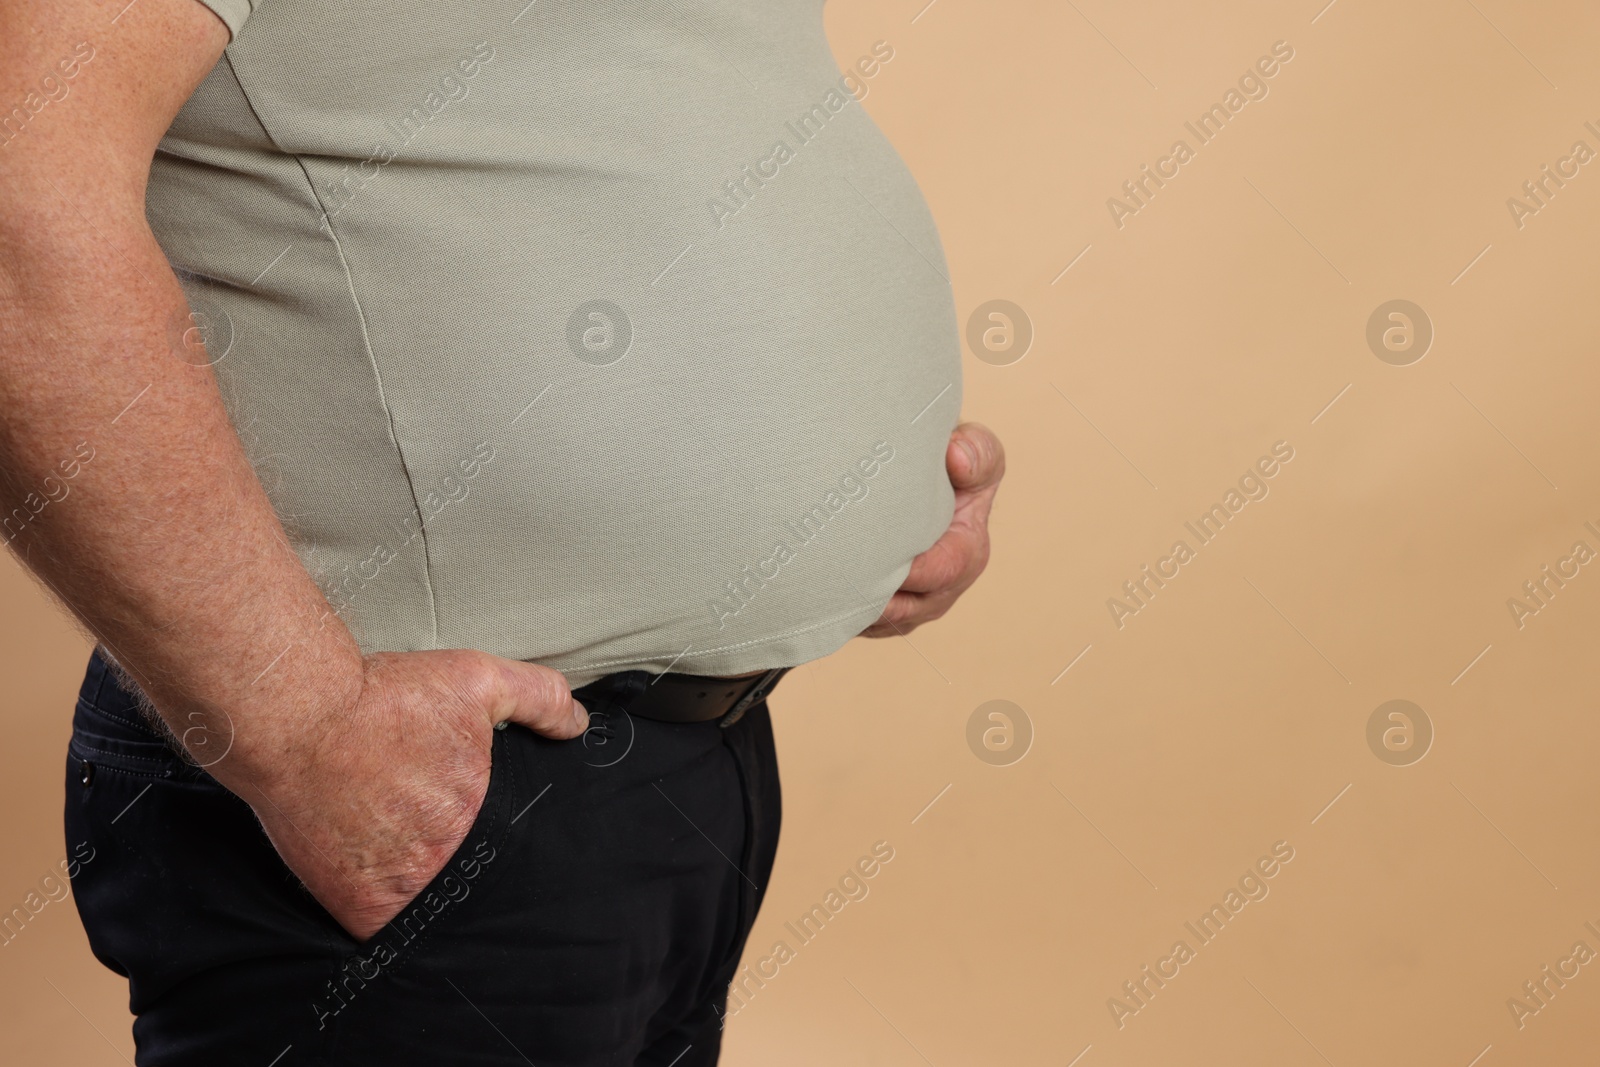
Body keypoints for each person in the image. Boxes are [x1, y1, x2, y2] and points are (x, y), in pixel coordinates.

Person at [0, 0, 1003, 1063]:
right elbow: (20, 204)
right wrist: (305, 733)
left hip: (693, 763)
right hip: (427, 776)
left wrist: (854, 492)